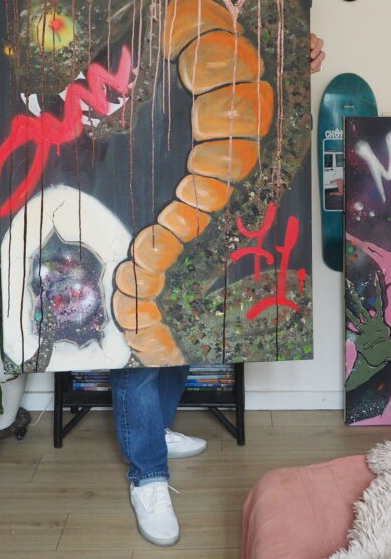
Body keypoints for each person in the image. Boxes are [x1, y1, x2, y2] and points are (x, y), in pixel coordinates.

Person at [113, 32, 326, 547]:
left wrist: (292, 55)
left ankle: (156, 429)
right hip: (128, 170)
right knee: (135, 336)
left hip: (188, 175)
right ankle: (147, 475)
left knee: (180, 324)